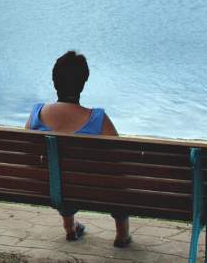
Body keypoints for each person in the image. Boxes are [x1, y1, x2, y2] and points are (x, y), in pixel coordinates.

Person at [24, 50, 132, 247]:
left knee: (59, 175)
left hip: (53, 190)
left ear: (54, 80)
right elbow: (120, 160)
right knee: (118, 180)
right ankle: (121, 234)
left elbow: (28, 152)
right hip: (95, 191)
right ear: (83, 82)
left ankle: (70, 227)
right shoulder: (98, 119)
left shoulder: (36, 115)